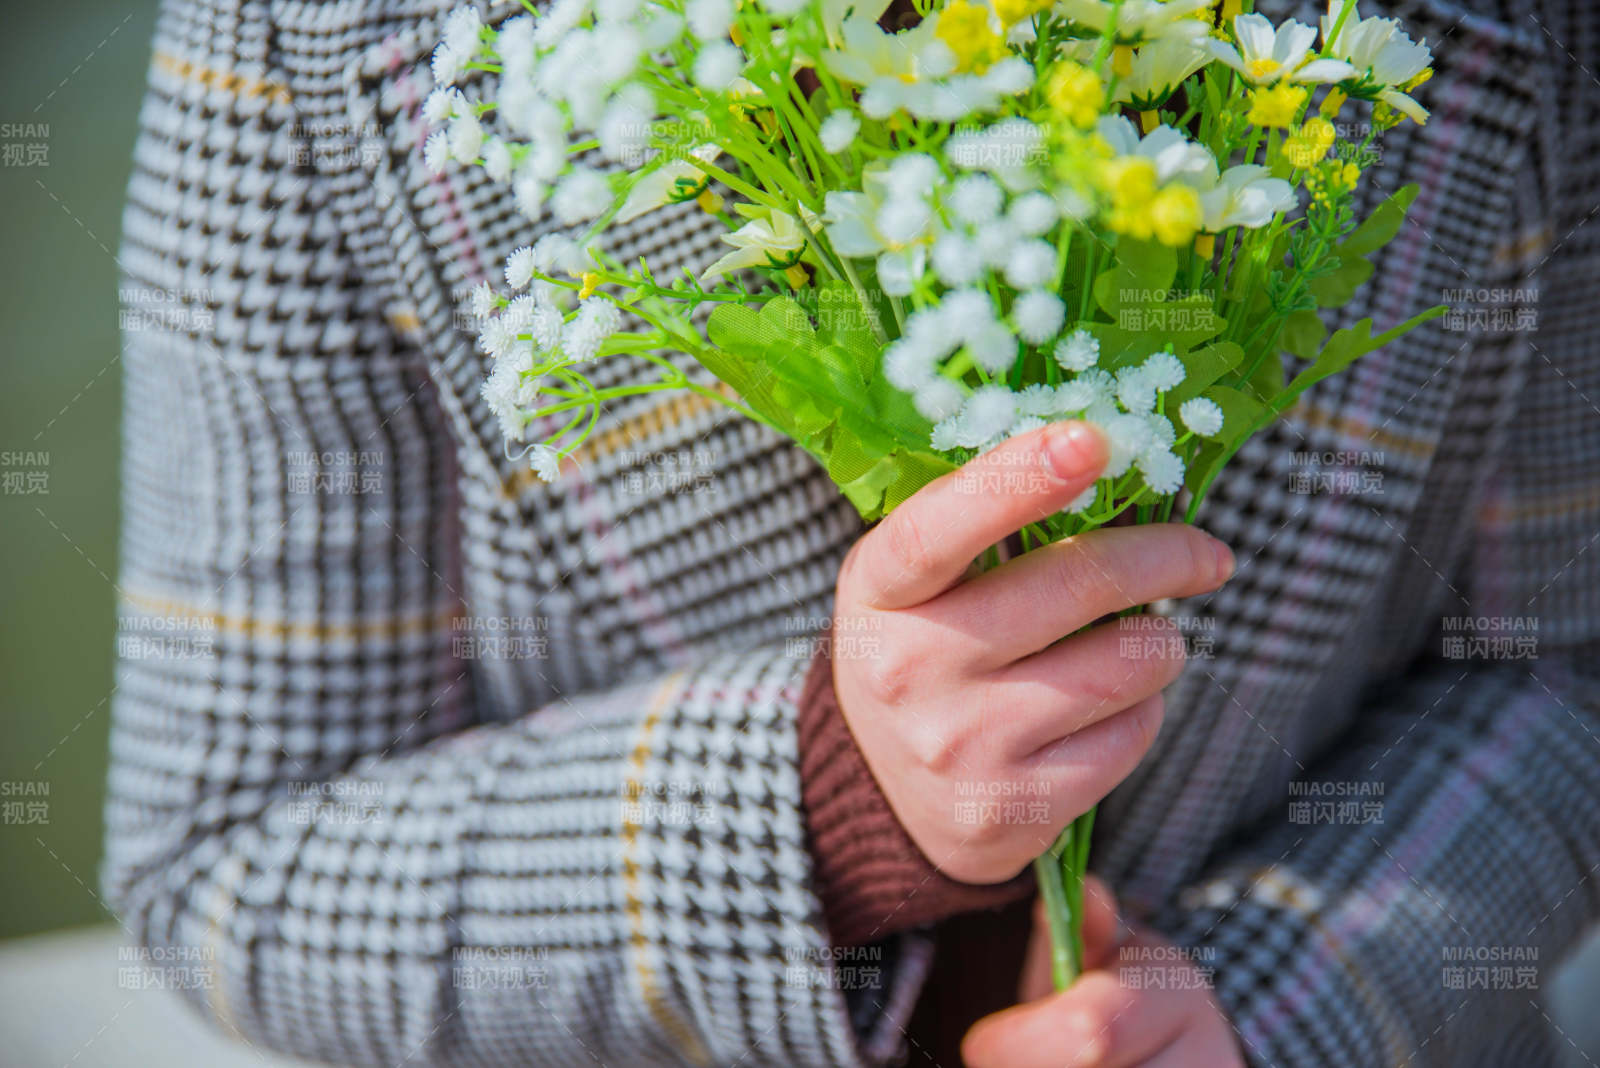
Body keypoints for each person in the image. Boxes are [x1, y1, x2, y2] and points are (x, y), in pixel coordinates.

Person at [103, 0, 1599, 1064]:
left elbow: (1557, 673)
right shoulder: (309, 37)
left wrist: (1268, 1011)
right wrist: (837, 803)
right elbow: (228, 859)